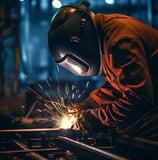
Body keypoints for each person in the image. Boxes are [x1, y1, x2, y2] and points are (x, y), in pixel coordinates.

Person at [47, 1, 158, 140]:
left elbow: (138, 98)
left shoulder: (119, 42)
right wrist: (91, 103)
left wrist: (98, 118)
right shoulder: (107, 37)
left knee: (133, 128)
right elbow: (119, 86)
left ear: (81, 40)